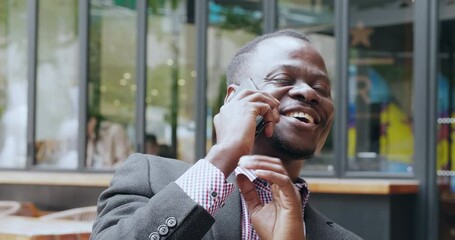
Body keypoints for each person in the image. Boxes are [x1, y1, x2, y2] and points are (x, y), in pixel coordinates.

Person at [91, 29, 362, 240]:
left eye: (322, 88)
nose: (309, 93)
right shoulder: (150, 177)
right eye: (282, 79)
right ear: (235, 98)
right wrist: (223, 156)